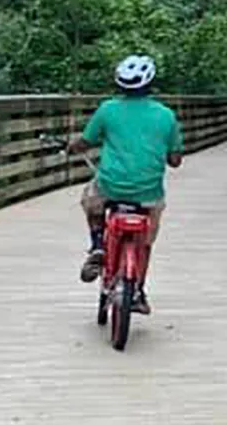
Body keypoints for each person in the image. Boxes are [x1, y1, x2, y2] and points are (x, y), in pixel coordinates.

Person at [67, 54, 184, 315]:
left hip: (111, 186)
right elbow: (175, 160)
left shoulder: (107, 110)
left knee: (90, 199)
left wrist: (74, 146)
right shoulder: (166, 116)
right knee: (145, 241)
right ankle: (139, 289)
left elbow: (86, 142)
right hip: (149, 193)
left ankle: (98, 243)